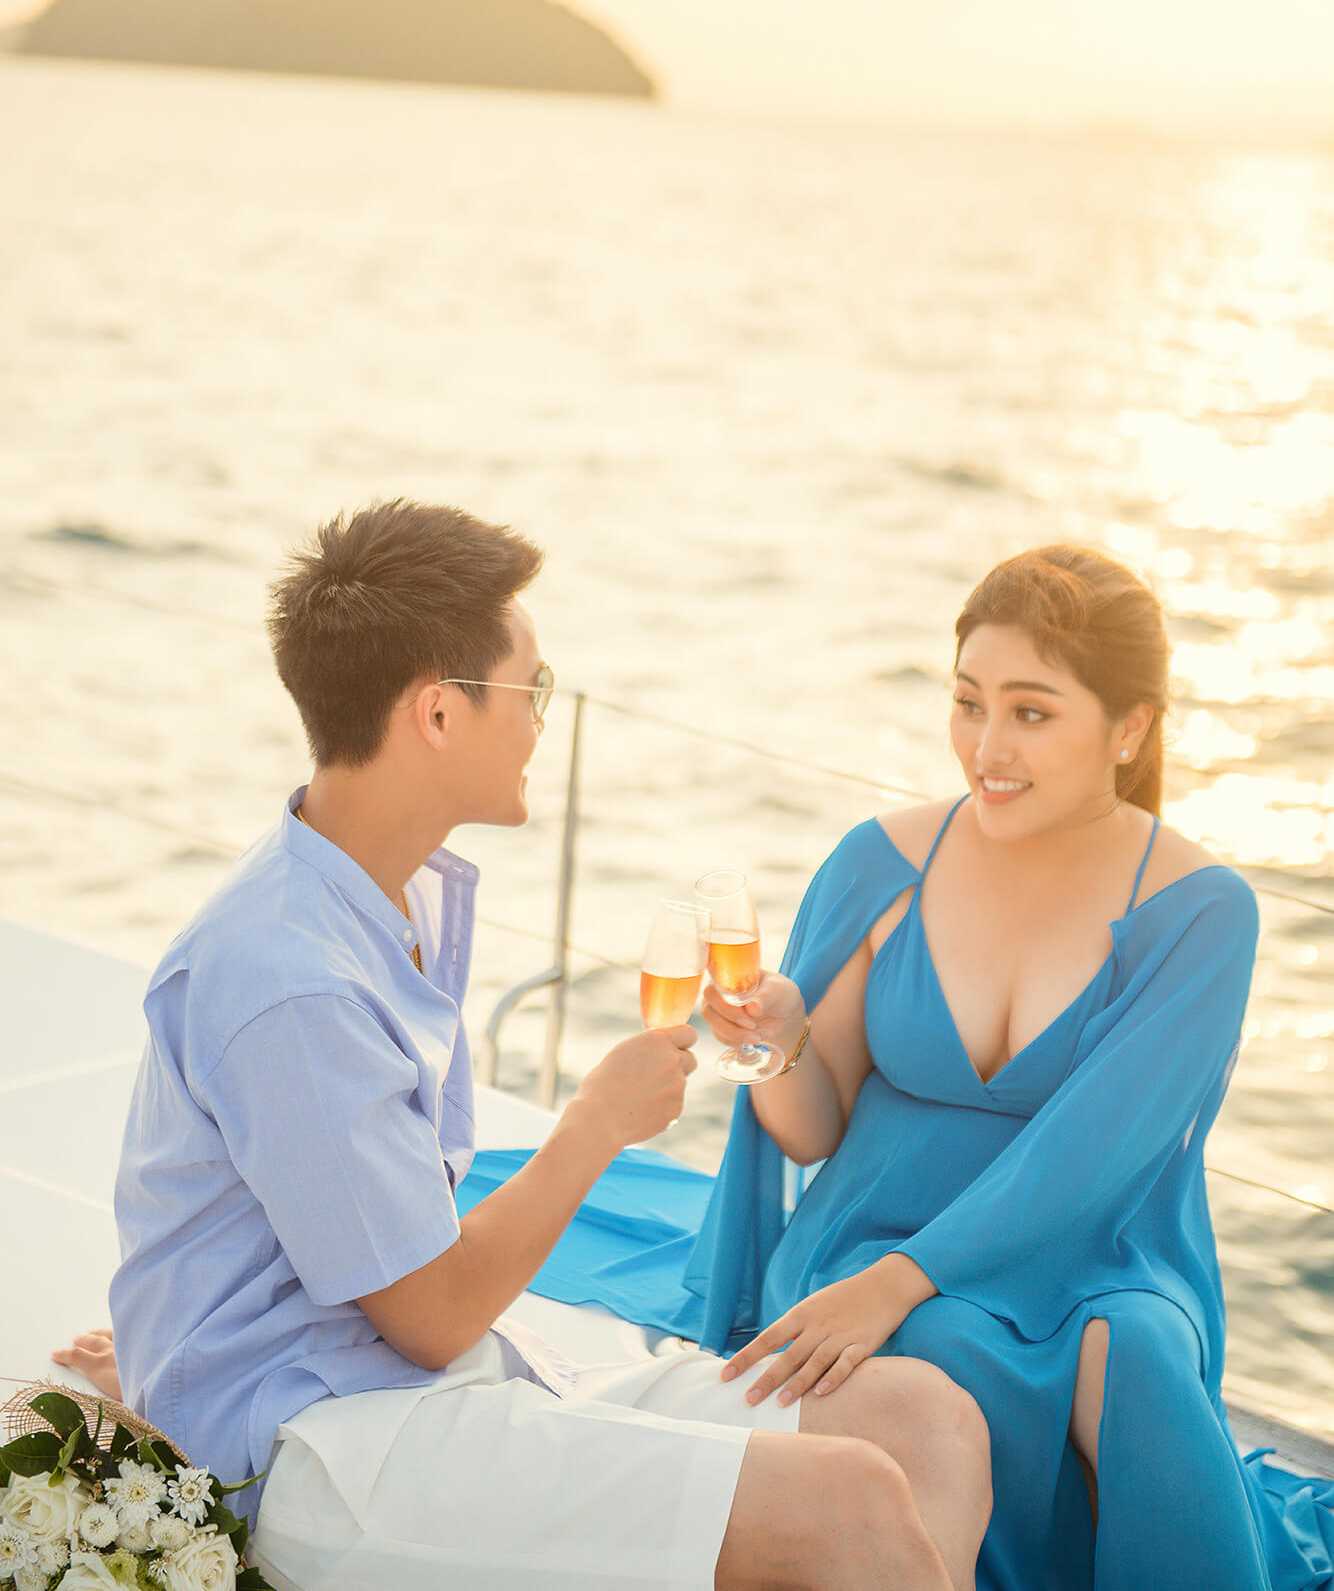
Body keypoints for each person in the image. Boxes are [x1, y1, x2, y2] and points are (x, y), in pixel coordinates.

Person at [73, 499, 990, 1591]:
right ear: (436, 713)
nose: (542, 717)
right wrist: (592, 1125)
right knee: (847, 1500)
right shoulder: (287, 973)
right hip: (326, 1447)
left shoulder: (386, 892)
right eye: (528, 687)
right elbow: (431, 1313)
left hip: (433, 1389)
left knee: (921, 1418)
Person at [674, 544, 1333, 1591]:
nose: (985, 746)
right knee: (949, 1342)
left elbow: (1092, 1153)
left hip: (1099, 1241)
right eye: (967, 702)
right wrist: (778, 1039)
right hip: (871, 1229)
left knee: (1141, 1355)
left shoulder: (1201, 912)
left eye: (1030, 711)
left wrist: (894, 1287)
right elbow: (809, 1130)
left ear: (1128, 728)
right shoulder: (880, 861)